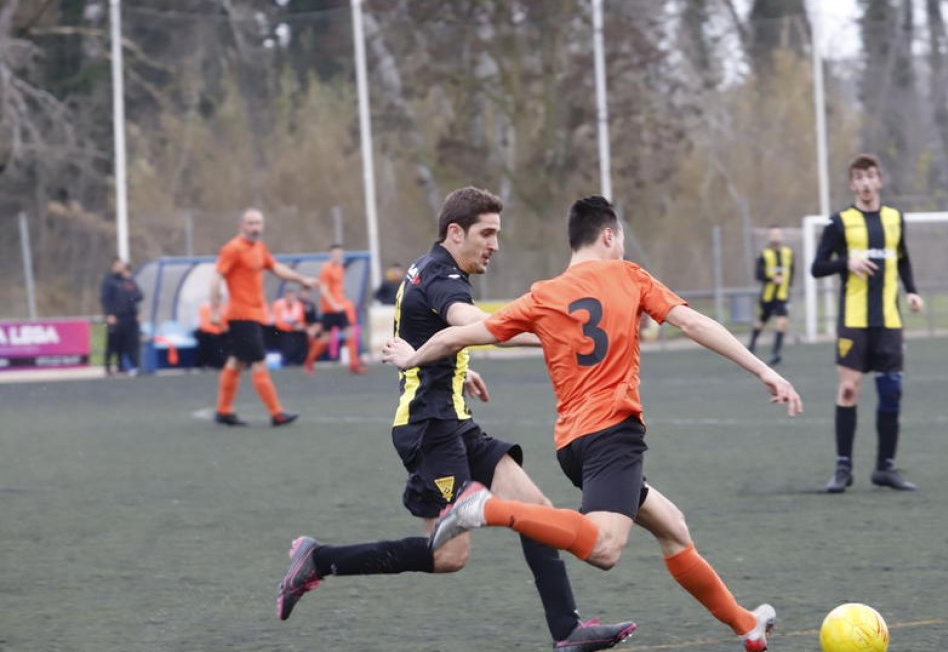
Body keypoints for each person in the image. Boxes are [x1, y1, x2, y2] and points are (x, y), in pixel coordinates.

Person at [382, 195, 802, 652]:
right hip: (613, 435)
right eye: (619, 240)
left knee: (673, 527)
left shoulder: (545, 294)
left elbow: (464, 333)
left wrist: (414, 357)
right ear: (609, 236)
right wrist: (765, 369)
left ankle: (747, 626)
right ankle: (486, 509)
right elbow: (694, 323)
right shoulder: (629, 276)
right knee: (605, 549)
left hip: (573, 445)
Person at [276, 187, 635, 652]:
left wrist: (461, 370)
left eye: (498, 234)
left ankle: (567, 631)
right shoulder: (443, 278)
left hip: (454, 420)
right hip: (430, 428)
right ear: (455, 232)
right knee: (449, 556)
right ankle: (318, 560)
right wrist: (560, 336)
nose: (495, 245)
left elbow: (437, 332)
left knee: (537, 512)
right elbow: (478, 324)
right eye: (487, 233)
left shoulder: (431, 269)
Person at [810, 154, 924, 493]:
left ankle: (885, 468)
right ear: (852, 184)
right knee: (848, 390)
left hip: (889, 320)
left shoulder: (894, 219)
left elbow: (903, 260)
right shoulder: (840, 222)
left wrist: (913, 292)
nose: (865, 183)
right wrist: (847, 261)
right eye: (858, 178)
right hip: (854, 320)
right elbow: (817, 267)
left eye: (870, 176)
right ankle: (843, 468)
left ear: (880, 180)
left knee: (892, 391)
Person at [210, 208, 319, 427]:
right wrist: (214, 309)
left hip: (255, 315)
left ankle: (223, 410)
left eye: (258, 223)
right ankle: (276, 413)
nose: (255, 228)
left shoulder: (259, 248)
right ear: (240, 226)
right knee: (259, 361)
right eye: (250, 223)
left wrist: (301, 279)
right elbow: (217, 277)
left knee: (237, 360)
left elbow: (276, 268)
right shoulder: (233, 248)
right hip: (241, 315)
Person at [303, 245, 367, 375]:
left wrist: (343, 302)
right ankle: (309, 362)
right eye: (336, 254)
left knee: (350, 334)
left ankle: (353, 365)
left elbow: (337, 289)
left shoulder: (339, 268)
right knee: (325, 339)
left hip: (341, 308)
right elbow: (324, 290)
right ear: (331, 255)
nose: (338, 257)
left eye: (340, 254)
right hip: (330, 310)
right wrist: (334, 304)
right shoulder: (326, 268)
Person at [747, 226, 793, 366]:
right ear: (769, 237)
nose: (776, 237)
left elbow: (791, 272)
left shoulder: (788, 253)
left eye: (778, 234)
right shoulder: (764, 254)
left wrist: (787, 287)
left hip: (782, 296)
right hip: (767, 296)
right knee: (761, 322)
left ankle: (776, 353)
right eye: (773, 234)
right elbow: (758, 275)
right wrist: (772, 278)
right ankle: (752, 345)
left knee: (782, 322)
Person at [100, 258, 142, 376]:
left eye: (122, 265)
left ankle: (122, 366)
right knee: (112, 344)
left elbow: (136, 297)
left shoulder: (127, 281)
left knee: (125, 344)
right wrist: (109, 314)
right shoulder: (109, 280)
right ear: (114, 266)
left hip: (128, 317)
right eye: (118, 265)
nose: (120, 267)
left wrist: (137, 312)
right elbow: (105, 299)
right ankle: (107, 367)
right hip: (115, 317)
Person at [271, 288, 308, 366]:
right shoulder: (278, 305)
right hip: (283, 332)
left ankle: (299, 361)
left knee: (301, 338)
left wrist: (301, 326)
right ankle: (286, 360)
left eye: (292, 297)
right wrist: (291, 327)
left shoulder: (299, 305)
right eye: (288, 296)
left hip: (296, 332)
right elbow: (278, 321)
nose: (290, 299)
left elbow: (302, 320)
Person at [195, 299, 229, 370]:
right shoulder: (206, 308)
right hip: (209, 333)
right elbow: (205, 325)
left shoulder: (224, 308)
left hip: (217, 333)